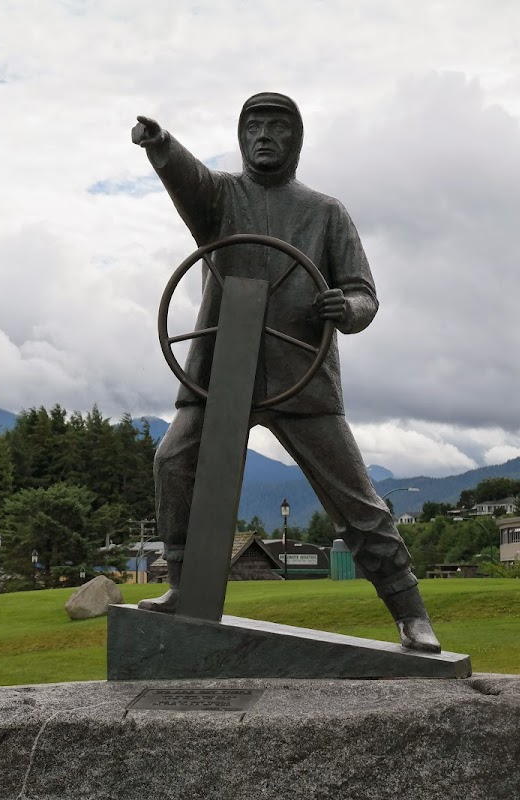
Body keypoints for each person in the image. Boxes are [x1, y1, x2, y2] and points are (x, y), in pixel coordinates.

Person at [132, 92, 440, 653]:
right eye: (254, 127)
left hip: (304, 378)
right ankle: (181, 586)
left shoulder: (326, 213)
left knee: (356, 500)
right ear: (241, 137)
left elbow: (363, 293)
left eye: (278, 126)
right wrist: (161, 146)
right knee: (173, 461)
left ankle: (410, 612)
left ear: (298, 139)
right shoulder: (219, 198)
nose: (265, 136)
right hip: (222, 375)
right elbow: (189, 178)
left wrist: (346, 309)